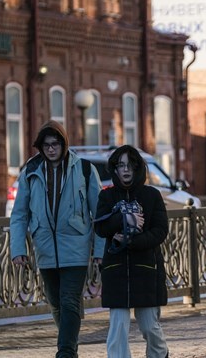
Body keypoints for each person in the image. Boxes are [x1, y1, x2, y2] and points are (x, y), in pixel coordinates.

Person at [9, 120, 104, 358]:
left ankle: (64, 352)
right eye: (46, 145)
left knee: (70, 300)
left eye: (56, 144)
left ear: (64, 144)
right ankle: (70, 347)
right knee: (56, 305)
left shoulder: (83, 169)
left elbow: (100, 215)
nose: (51, 149)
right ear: (40, 147)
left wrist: (99, 251)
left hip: (76, 247)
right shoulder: (30, 172)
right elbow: (19, 215)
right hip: (45, 249)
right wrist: (18, 248)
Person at [94, 145, 169, 358]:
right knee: (117, 329)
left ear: (137, 168)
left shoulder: (152, 195)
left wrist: (131, 240)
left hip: (146, 268)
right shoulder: (107, 197)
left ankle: (160, 354)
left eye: (130, 165)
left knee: (149, 327)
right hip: (116, 270)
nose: (125, 170)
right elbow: (100, 227)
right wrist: (124, 219)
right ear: (114, 169)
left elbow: (160, 231)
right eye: (121, 165)